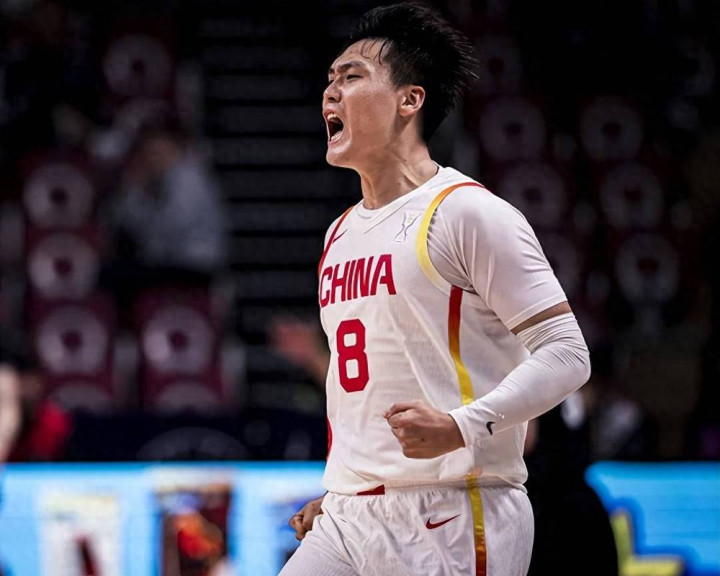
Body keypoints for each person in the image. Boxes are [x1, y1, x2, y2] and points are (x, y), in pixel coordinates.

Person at [280, 3, 591, 576]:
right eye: (329, 79)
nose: (330, 92)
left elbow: (568, 354)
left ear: (409, 100)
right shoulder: (339, 233)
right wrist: (351, 485)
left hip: (454, 512)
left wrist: (460, 425)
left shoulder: (468, 213)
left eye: (351, 76)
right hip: (349, 517)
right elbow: (373, 381)